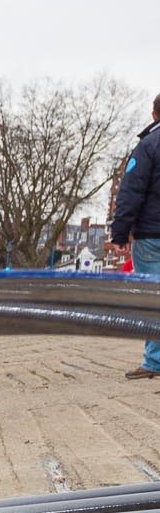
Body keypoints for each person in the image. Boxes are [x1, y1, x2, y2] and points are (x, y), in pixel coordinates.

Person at [111, 93, 160, 379]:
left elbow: (130, 192)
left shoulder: (148, 146)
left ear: (154, 114)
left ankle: (154, 362)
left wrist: (120, 233)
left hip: (152, 236)